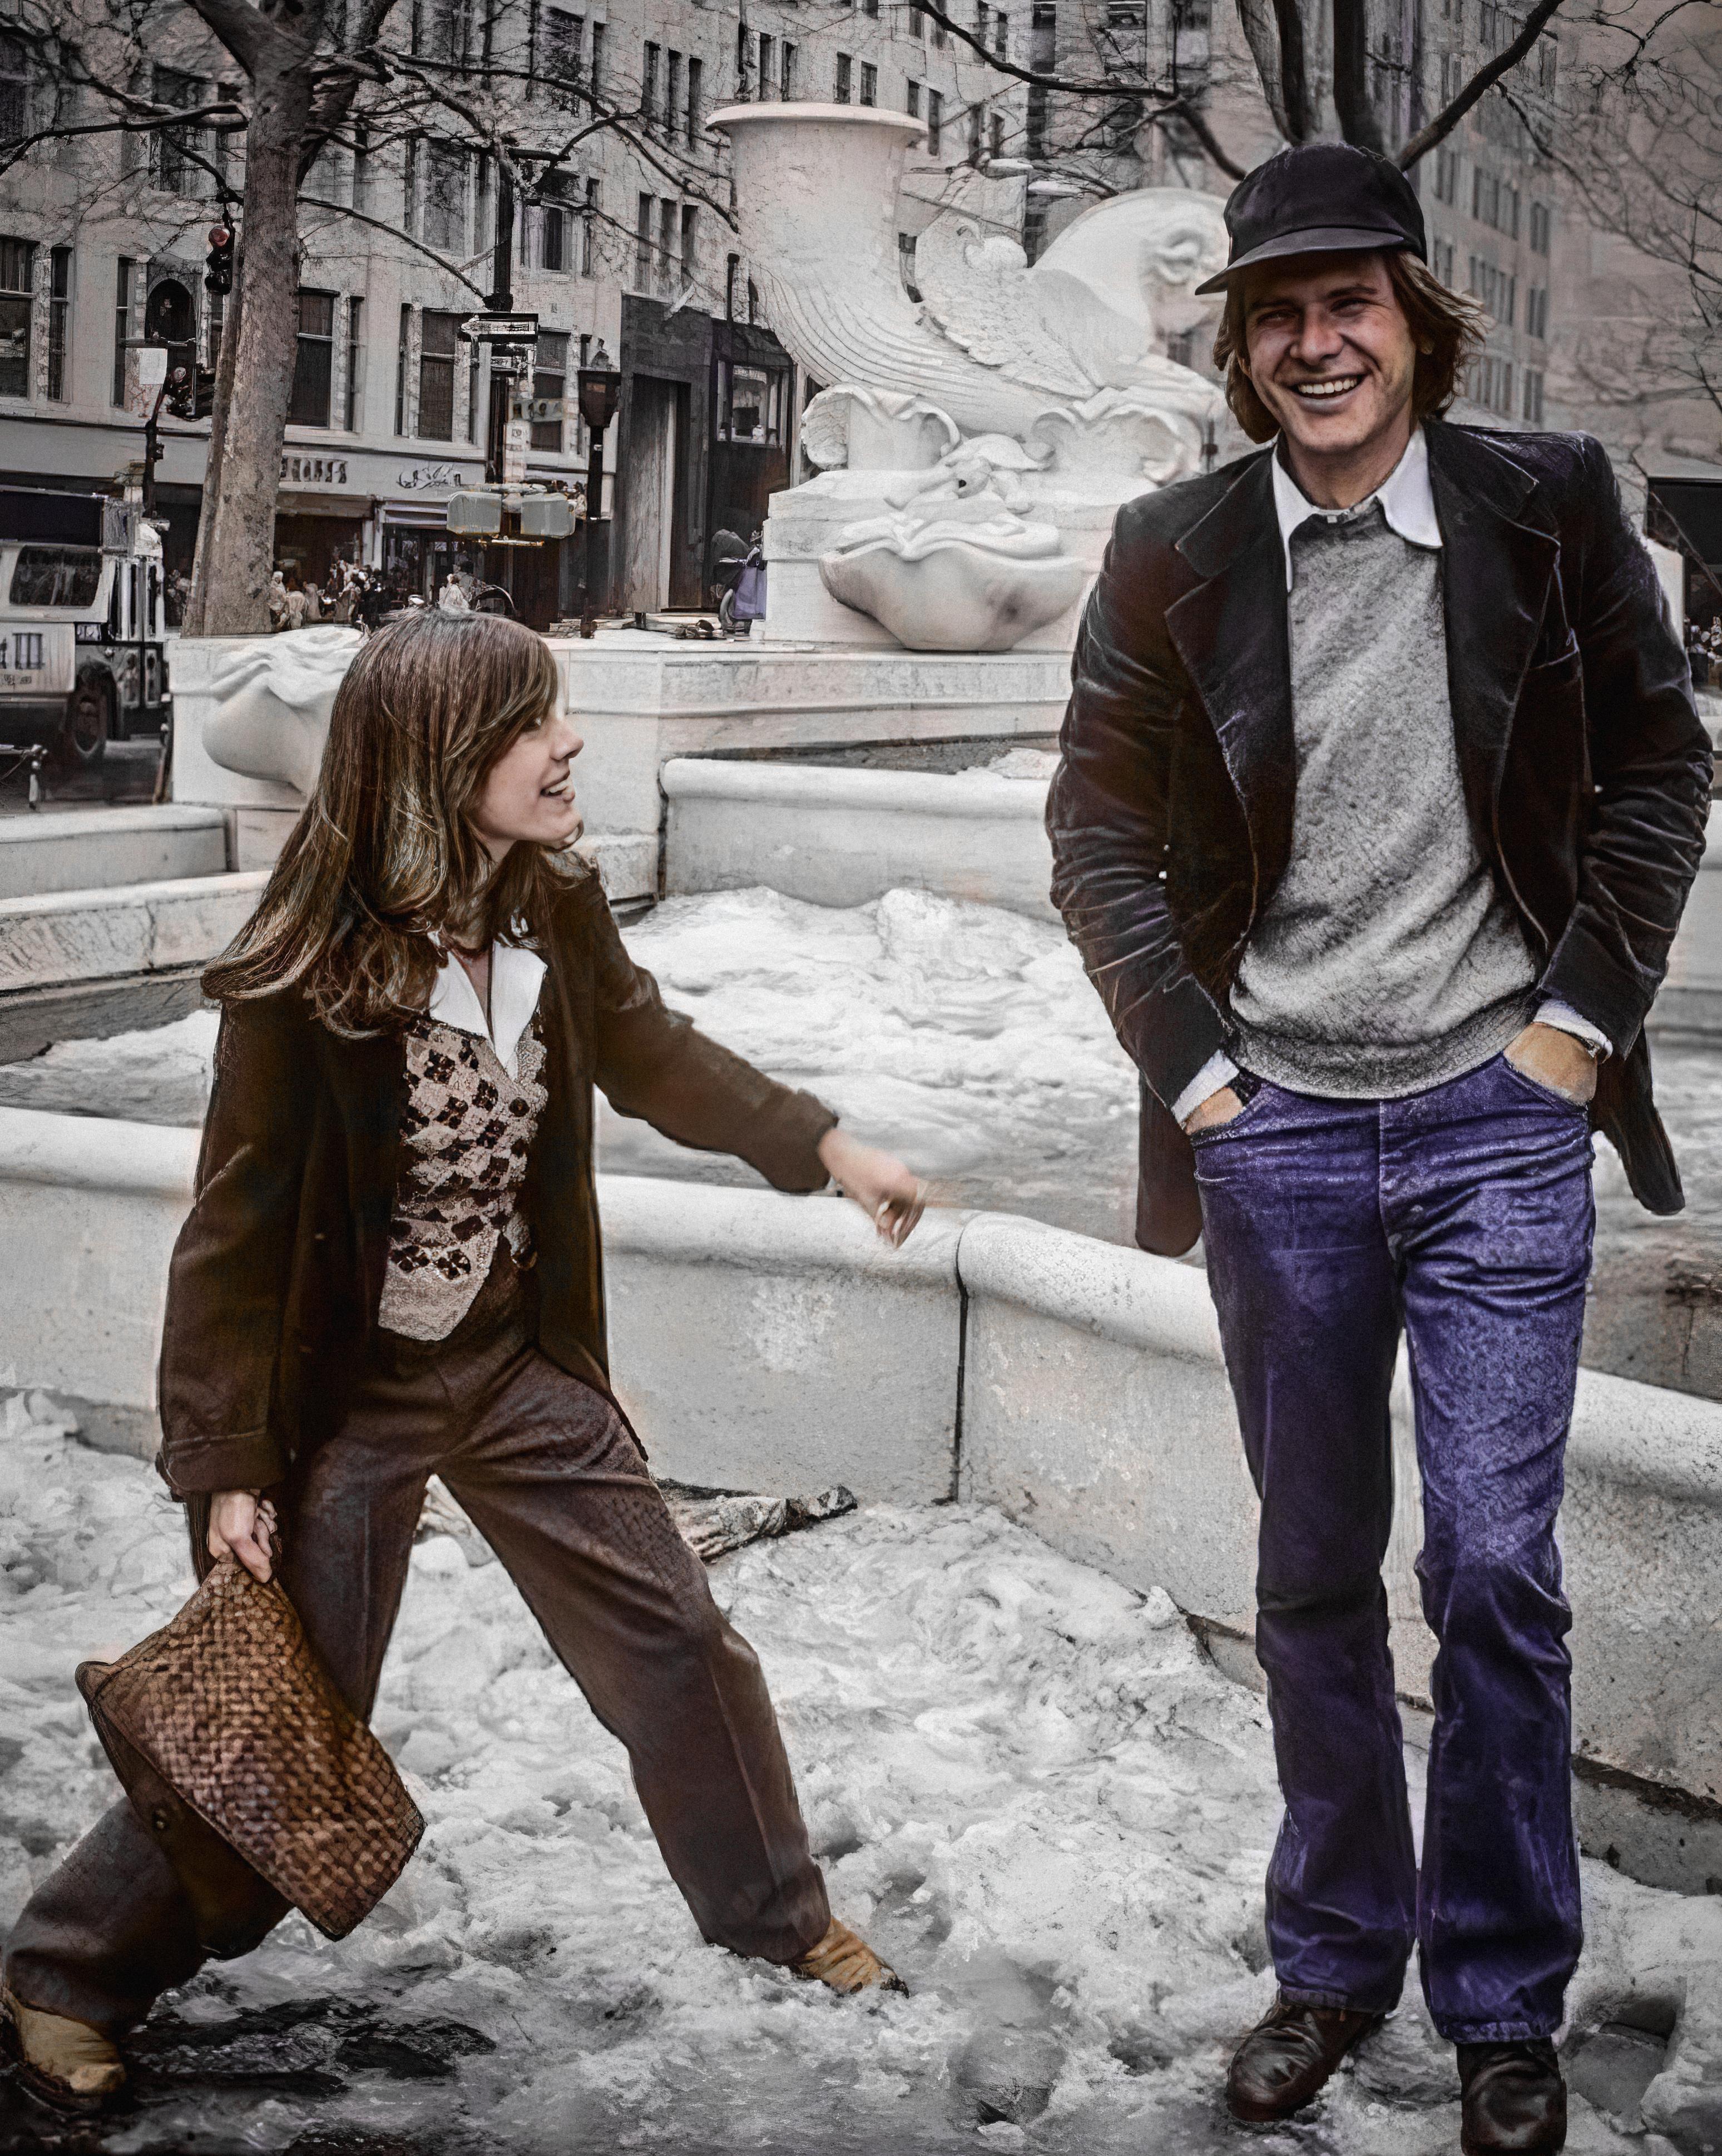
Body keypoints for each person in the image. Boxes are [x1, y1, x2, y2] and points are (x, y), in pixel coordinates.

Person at [2, 612, 923, 2115]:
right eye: (532, 726)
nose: (567, 748)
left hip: (509, 1361)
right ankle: (64, 1968)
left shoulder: (551, 901)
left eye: (558, 716)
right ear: (440, 764)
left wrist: (820, 1143)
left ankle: (778, 1915)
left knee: (680, 1639)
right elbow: (230, 1241)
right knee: (284, 1714)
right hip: (347, 1402)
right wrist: (227, 1464)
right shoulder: (308, 974)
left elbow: (652, 1050)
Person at [1047, 142, 1709, 2156]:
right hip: (1284, 1134)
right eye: (1277, 315)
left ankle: (1504, 1996)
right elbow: (1094, 830)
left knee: (1498, 1569)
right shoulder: (1171, 545)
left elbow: (1662, 766)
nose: (1317, 344)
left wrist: (1577, 1030)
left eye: (1350, 305)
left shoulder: (1549, 504)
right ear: (1242, 353)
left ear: (1419, 317)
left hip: (1503, 1119)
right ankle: (1336, 1961)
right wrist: (1200, 1083)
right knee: (1312, 1571)